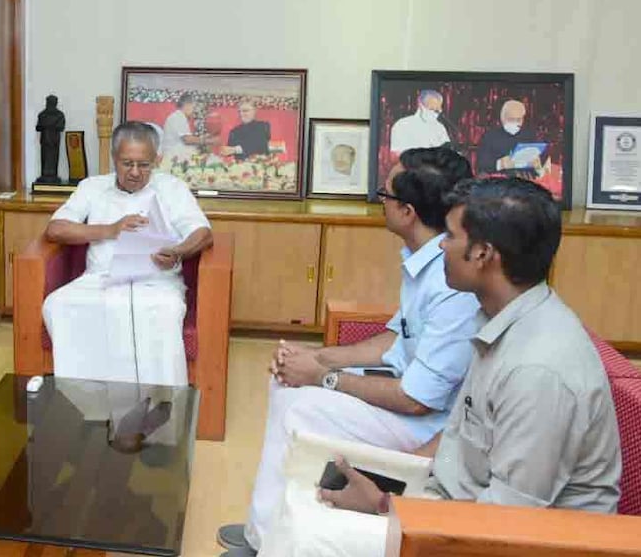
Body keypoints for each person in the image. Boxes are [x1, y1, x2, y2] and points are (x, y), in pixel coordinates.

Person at [285, 177, 622, 556]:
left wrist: (387, 508)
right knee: (302, 489)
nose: (441, 246)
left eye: (449, 236)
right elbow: (458, 441)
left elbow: (509, 524)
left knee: (310, 535)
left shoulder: (539, 370)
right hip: (448, 506)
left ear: (483, 254)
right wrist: (388, 481)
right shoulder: (499, 322)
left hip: (506, 538)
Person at [217, 147, 479, 556]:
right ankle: (266, 527)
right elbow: (396, 338)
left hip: (427, 425)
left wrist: (324, 377)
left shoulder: (450, 283)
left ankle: (264, 539)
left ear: (407, 211)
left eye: (385, 194)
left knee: (300, 408)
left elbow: (418, 400)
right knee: (286, 381)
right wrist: (319, 358)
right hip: (406, 394)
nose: (380, 201)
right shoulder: (422, 258)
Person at [42, 121, 213, 387]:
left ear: (156, 160)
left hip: (157, 284)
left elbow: (203, 232)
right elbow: (55, 229)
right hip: (99, 281)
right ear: (114, 158)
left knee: (162, 311)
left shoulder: (172, 188)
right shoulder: (92, 187)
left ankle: (160, 406)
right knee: (58, 304)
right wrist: (111, 229)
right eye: (127, 163)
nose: (135, 172)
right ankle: (87, 401)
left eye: (143, 165)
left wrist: (178, 251)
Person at [475, 99, 543, 176]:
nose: (515, 122)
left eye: (519, 119)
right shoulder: (490, 137)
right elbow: (482, 165)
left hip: (523, 182)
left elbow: (538, 168)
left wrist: (538, 167)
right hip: (498, 182)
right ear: (503, 118)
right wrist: (501, 164)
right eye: (511, 119)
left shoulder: (529, 135)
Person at [160, 93, 205, 162]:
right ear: (188, 105)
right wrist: (205, 140)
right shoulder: (179, 117)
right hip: (174, 158)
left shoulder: (177, 116)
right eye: (194, 107)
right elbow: (187, 139)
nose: (194, 111)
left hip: (175, 157)